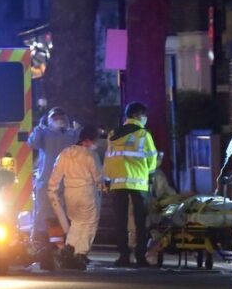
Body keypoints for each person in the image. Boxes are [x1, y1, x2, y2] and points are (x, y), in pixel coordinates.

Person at [104, 102, 158, 267]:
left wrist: (107, 179)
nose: (145, 118)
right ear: (137, 115)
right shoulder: (143, 134)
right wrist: (149, 172)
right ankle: (140, 257)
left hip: (117, 183)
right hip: (138, 184)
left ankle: (123, 256)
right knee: (140, 222)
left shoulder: (113, 134)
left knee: (120, 222)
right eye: (144, 115)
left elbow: (108, 157)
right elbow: (152, 159)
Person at [47, 126, 104, 271]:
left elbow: (55, 176)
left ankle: (69, 250)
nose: (96, 143)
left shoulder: (65, 153)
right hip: (87, 192)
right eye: (95, 140)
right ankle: (80, 254)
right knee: (89, 223)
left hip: (70, 193)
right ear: (89, 140)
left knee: (76, 223)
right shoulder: (90, 155)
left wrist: (52, 191)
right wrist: (104, 187)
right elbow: (98, 177)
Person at [28, 107, 80, 248]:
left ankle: (61, 244)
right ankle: (41, 243)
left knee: (63, 214)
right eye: (55, 118)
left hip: (64, 182)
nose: (59, 120)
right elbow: (32, 143)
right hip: (46, 182)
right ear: (49, 120)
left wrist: (77, 130)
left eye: (61, 117)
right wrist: (38, 129)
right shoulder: (44, 133)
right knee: (43, 213)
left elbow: (81, 148)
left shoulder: (72, 134)